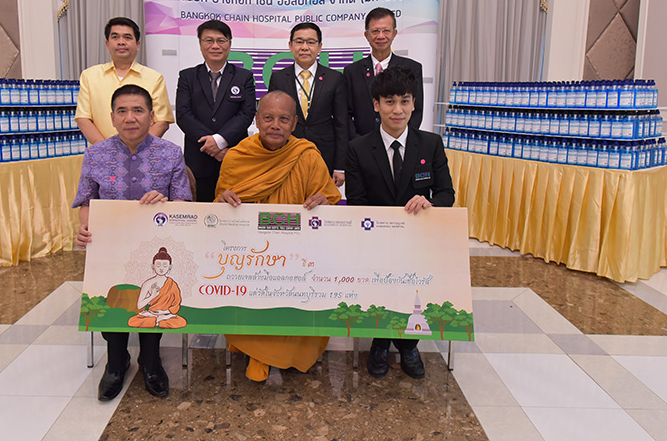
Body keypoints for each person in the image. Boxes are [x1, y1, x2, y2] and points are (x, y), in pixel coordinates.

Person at [73, 84, 192, 400]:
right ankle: (116, 361)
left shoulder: (170, 153)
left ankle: (151, 361)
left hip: (156, 249)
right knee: (112, 297)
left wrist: (166, 203)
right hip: (109, 247)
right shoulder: (96, 154)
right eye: (122, 111)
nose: (130, 118)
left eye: (138, 110)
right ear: (112, 117)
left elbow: (184, 203)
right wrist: (86, 227)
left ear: (151, 116)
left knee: (155, 298)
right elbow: (86, 202)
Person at [215, 91, 341, 382]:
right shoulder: (237, 157)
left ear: (294, 123)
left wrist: (324, 203)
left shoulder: (307, 156)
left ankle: (286, 353)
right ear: (257, 120)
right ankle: (257, 351)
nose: (275, 125)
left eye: (283, 119)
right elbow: (219, 209)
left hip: (298, 255)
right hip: (251, 256)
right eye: (268, 118)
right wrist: (222, 202)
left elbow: (329, 202)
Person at [345, 65, 454, 380]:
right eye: (389, 102)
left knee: (414, 291)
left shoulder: (431, 144)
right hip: (376, 240)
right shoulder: (358, 149)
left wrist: (431, 204)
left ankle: (409, 346)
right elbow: (357, 201)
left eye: (405, 101)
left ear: (414, 104)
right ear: (376, 105)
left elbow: (446, 193)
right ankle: (379, 344)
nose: (398, 110)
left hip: (419, 238)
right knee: (381, 290)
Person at [176, 20, 256, 202]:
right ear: (200, 43)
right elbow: (183, 114)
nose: (215, 46)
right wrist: (211, 145)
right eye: (209, 40)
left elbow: (246, 113)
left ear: (229, 44)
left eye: (221, 40)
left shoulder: (244, 77)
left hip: (232, 157)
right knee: (199, 213)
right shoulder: (187, 76)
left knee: (235, 211)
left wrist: (219, 141)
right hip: (198, 161)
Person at [268, 23, 348, 186]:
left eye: (311, 42)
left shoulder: (334, 78)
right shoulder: (278, 78)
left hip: (324, 155)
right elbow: (271, 120)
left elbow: (342, 124)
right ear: (290, 46)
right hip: (286, 155)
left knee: (320, 200)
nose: (304, 47)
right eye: (299, 42)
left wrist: (340, 166)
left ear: (319, 47)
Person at [75, 17, 174, 144]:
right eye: (115, 37)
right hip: (102, 153)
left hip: (143, 154)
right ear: (107, 44)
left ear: (137, 45)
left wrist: (137, 149)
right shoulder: (90, 76)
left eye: (127, 37)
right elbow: (83, 119)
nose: (121, 42)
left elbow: (162, 121)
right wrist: (107, 150)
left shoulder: (154, 78)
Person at [343, 7, 424, 138]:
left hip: (399, 143)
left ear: (394, 33)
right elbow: (345, 114)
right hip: (362, 144)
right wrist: (358, 143)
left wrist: (401, 140)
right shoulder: (352, 71)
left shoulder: (412, 68)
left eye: (386, 31)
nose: (381, 36)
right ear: (366, 35)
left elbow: (416, 111)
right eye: (375, 31)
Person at [128, 247, 187, 329]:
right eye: (158, 265)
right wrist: (152, 296)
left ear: (170, 267)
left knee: (181, 322)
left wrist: (164, 312)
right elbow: (139, 305)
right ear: (153, 266)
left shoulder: (172, 284)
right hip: (152, 313)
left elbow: (176, 304)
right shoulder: (148, 283)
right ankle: (159, 320)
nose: (161, 268)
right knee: (132, 321)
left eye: (165, 266)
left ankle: (156, 321)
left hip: (166, 314)